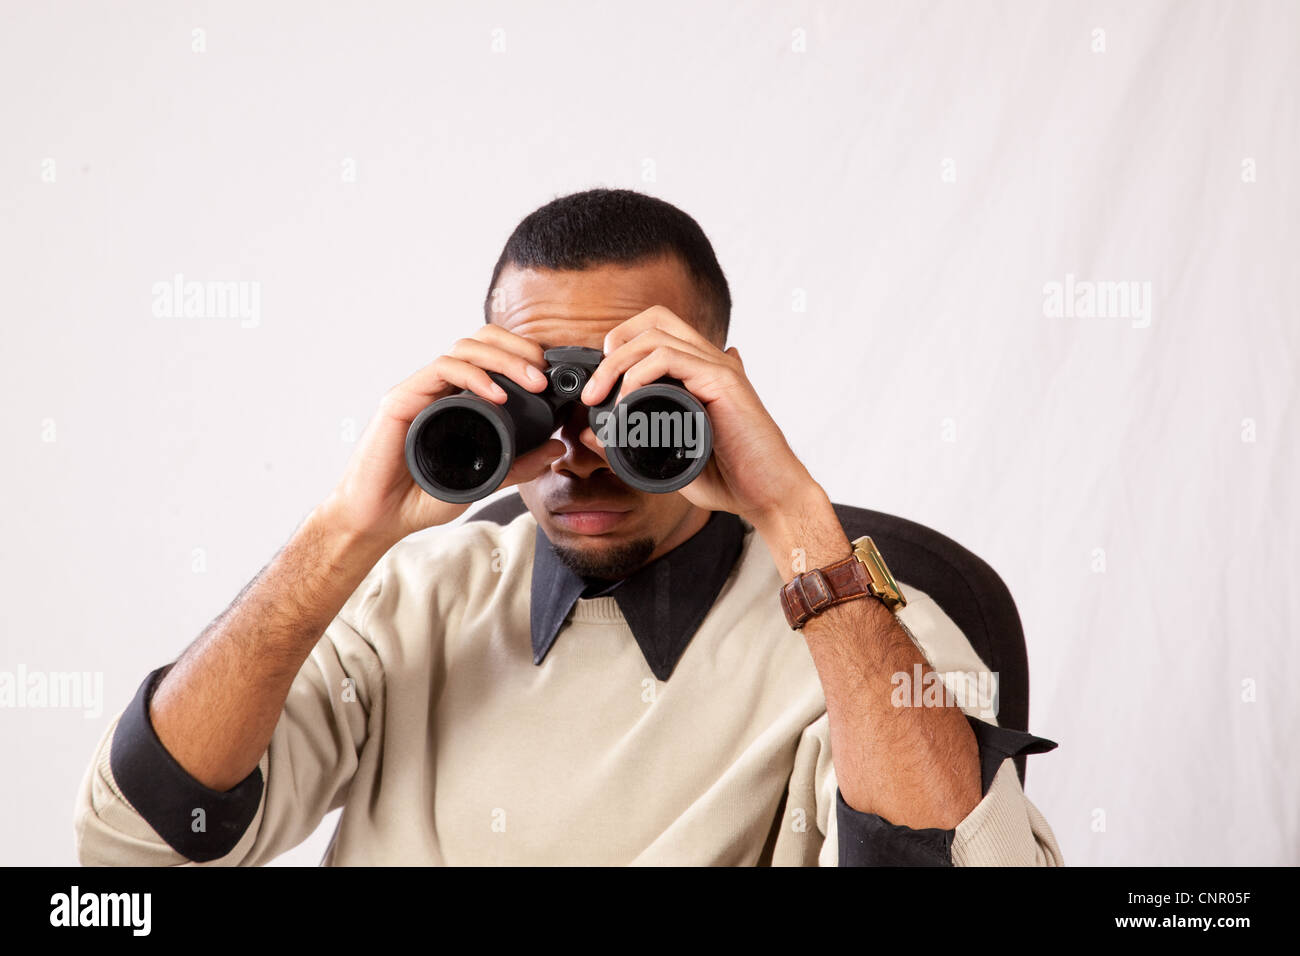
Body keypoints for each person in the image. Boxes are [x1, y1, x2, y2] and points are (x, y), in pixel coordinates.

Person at [74, 188, 1062, 866]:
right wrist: (345, 531)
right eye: (543, 395)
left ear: (717, 388)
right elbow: (145, 840)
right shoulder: (413, 599)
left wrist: (792, 509)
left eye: (632, 397)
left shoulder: (860, 620)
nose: (583, 449)